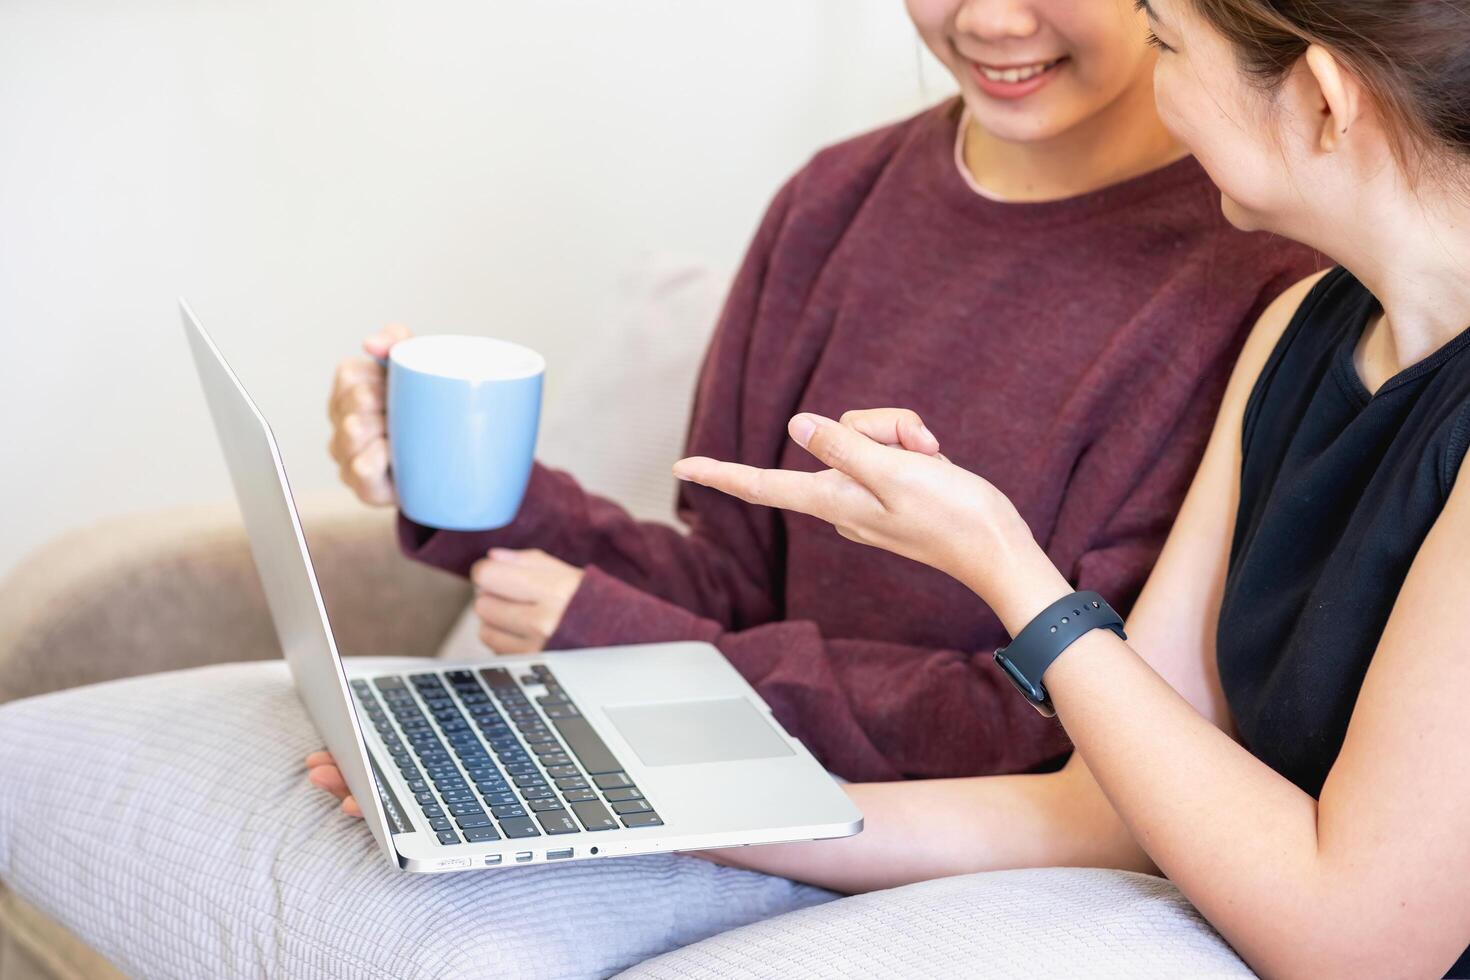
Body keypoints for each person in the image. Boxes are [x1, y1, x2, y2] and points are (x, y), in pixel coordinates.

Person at [312, 0, 1318, 810]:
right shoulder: (832, 201)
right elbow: (734, 579)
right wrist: (466, 480)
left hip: (952, 844)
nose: (991, 23)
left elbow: (1072, 716)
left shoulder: (1268, 269)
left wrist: (630, 646)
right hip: (761, 775)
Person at [671, 0, 1470, 974]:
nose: (1159, 95)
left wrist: (1011, 570)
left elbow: (1364, 944)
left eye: (1168, 44)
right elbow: (1102, 810)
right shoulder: (1301, 328)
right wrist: (690, 816)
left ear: (1320, 100)